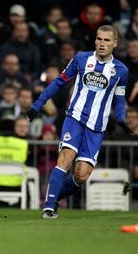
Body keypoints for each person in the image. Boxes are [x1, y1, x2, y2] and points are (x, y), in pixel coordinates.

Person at [27, 25, 132, 219]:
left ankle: (54, 198)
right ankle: (49, 208)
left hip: (97, 127)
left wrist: (121, 118)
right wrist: (37, 104)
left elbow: (119, 99)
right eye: (99, 39)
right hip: (74, 118)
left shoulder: (121, 71)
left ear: (115, 43)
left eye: (107, 40)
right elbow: (59, 81)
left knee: (81, 175)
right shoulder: (81, 59)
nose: (102, 43)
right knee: (66, 157)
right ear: (95, 40)